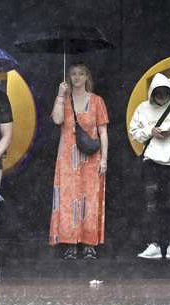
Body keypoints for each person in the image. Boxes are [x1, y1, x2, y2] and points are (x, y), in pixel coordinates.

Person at [130, 73, 170, 259]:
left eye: (165, 93)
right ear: (152, 93)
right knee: (151, 205)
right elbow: (134, 132)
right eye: (158, 94)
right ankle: (154, 244)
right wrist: (150, 131)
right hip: (151, 161)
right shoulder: (143, 108)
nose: (162, 97)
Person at [49, 62, 109, 260]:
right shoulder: (64, 99)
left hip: (91, 158)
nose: (76, 77)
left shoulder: (97, 101)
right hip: (67, 158)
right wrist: (59, 95)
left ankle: (89, 244)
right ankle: (70, 244)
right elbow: (57, 121)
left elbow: (103, 132)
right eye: (73, 74)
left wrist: (104, 159)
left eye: (81, 74)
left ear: (86, 77)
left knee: (89, 200)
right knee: (68, 200)